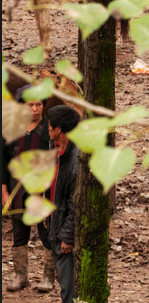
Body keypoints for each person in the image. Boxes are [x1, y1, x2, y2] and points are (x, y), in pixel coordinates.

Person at [2, 87, 53, 292]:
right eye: (30, 105)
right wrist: (4, 190)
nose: (34, 109)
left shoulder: (50, 129)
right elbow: (3, 162)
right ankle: (20, 276)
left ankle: (48, 277)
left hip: (43, 191)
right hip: (17, 189)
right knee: (19, 234)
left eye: (38, 104)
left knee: (46, 233)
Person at [44, 105, 80, 303]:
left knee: (68, 287)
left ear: (59, 129)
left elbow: (75, 203)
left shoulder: (76, 160)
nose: (47, 128)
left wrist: (67, 235)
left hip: (65, 232)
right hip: (54, 222)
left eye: (50, 126)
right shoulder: (54, 148)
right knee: (63, 282)